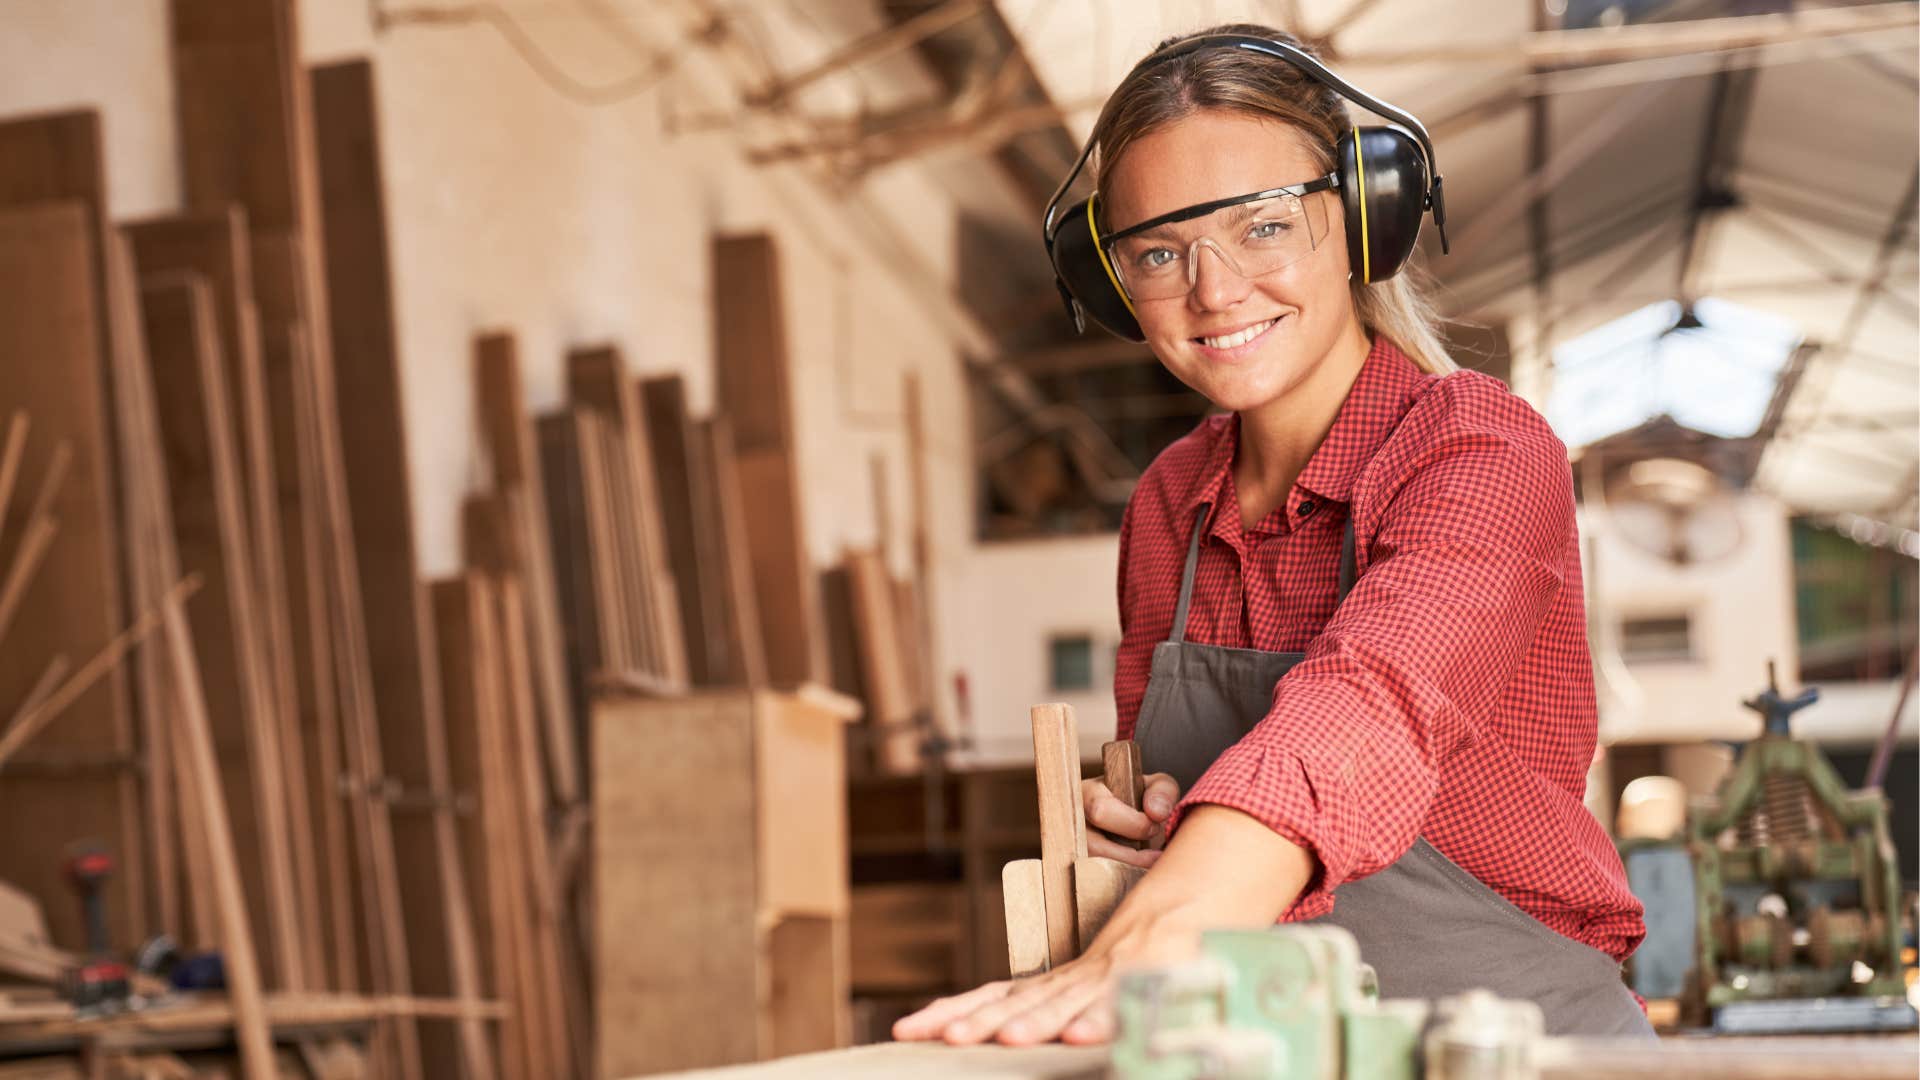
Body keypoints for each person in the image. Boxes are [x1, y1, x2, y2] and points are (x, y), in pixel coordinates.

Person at [894, 24, 1652, 1047]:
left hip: (1519, 1043)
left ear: (1363, 223)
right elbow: (1160, 794)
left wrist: (1172, 917)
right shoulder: (1167, 504)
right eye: (1159, 252)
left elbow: (1375, 703)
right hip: (1264, 1044)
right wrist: (1152, 824)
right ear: (1113, 286)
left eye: (1263, 227)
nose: (1213, 290)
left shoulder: (1479, 450)